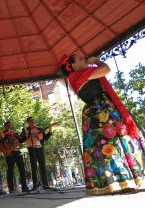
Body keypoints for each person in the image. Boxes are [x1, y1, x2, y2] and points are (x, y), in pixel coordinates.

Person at [60, 54, 145, 195]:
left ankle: (119, 182)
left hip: (98, 111)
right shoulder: (76, 75)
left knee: (106, 146)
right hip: (101, 111)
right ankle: (121, 182)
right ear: (73, 65)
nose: (84, 59)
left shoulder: (78, 75)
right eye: (81, 59)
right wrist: (97, 61)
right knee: (112, 145)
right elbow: (106, 69)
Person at [21, 117, 53, 190]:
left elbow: (45, 138)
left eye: (33, 120)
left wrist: (50, 129)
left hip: (40, 149)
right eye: (30, 121)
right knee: (34, 166)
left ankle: (45, 184)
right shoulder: (26, 129)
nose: (32, 122)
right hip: (32, 149)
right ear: (28, 122)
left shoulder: (39, 129)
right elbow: (22, 139)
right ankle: (35, 185)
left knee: (42, 166)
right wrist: (28, 134)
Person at [1, 121, 29, 193]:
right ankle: (11, 188)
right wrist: (10, 139)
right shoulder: (3, 133)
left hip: (18, 152)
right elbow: (2, 141)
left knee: (22, 169)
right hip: (10, 153)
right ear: (5, 127)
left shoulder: (15, 133)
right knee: (10, 170)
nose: (10, 127)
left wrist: (25, 136)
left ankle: (24, 187)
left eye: (11, 125)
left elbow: (20, 140)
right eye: (8, 126)